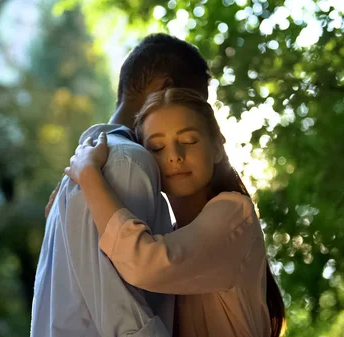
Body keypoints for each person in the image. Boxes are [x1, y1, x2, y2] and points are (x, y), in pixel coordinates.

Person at [64, 88, 286, 337]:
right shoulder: (168, 230)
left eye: (189, 141)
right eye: (157, 148)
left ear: (217, 148)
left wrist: (88, 174)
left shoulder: (236, 214)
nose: (174, 157)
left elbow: (144, 263)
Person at [30, 34, 211, 337]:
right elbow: (126, 319)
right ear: (166, 89)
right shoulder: (129, 162)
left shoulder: (83, 170)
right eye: (194, 103)